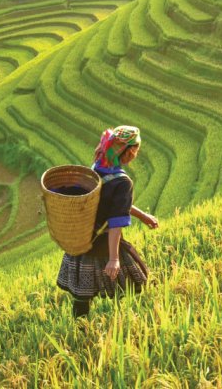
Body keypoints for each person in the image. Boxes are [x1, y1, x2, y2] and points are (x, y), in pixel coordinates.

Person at [56, 125, 159, 318]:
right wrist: (114, 258)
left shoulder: (96, 169)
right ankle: (129, 319)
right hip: (103, 241)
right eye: (135, 149)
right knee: (134, 280)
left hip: (82, 237)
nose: (136, 154)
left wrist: (143, 217)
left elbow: (114, 204)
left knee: (82, 293)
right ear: (128, 152)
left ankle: (80, 328)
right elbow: (116, 221)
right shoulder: (123, 182)